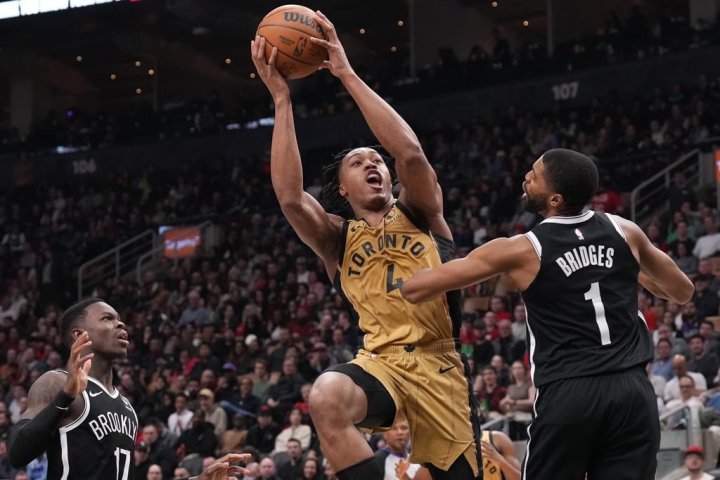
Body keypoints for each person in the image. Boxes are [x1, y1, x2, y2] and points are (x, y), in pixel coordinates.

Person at [251, 10, 480, 480]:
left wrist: (345, 72)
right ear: (343, 189)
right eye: (358, 163)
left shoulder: (421, 211)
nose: (373, 164)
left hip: (440, 365)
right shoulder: (337, 238)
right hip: (381, 364)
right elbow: (291, 198)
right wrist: (281, 99)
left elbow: (410, 153)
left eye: (377, 160)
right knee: (326, 395)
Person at [401, 149, 694, 479]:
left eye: (534, 175)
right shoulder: (625, 231)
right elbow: (682, 291)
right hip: (633, 393)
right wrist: (631, 271)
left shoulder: (522, 248)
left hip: (570, 392)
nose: (526, 176)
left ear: (555, 199)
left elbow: (416, 288)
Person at [7, 297, 249, 480]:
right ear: (80, 334)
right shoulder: (55, 382)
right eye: (107, 318)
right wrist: (65, 396)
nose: (120, 323)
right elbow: (17, 454)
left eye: (119, 318)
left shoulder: (126, 408)